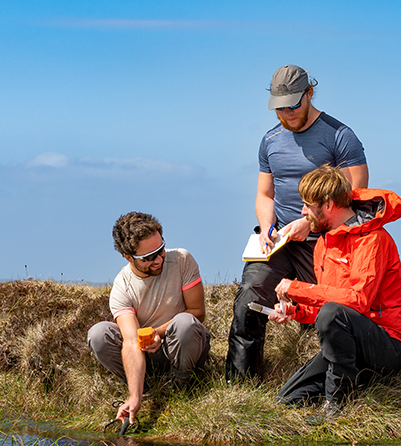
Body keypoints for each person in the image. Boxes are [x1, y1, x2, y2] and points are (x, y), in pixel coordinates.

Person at [226, 64, 369, 381]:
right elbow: (264, 194)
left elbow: (357, 198)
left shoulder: (340, 137)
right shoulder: (270, 141)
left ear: (310, 93)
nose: (288, 112)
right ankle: (239, 388)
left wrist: (310, 222)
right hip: (280, 241)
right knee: (248, 301)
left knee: (328, 315)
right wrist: (266, 227)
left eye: (294, 104)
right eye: (280, 107)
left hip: (325, 241)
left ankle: (344, 382)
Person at [268, 164, 401, 421]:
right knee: (287, 401)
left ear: (329, 205)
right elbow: (330, 304)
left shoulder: (373, 239)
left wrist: (298, 288)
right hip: (349, 342)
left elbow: (358, 301)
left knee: (333, 313)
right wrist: (296, 311)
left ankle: (337, 405)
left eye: (307, 205)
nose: (302, 212)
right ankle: (358, 381)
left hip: (388, 344)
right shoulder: (324, 241)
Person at [87, 212, 210, 426]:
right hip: (146, 353)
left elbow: (197, 312)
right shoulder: (122, 287)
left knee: (184, 323)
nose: (159, 259)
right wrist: (134, 397)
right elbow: (131, 341)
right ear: (128, 257)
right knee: (99, 334)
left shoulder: (182, 259)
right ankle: (143, 388)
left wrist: (159, 332)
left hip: (182, 344)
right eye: (149, 257)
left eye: (161, 250)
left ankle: (182, 386)